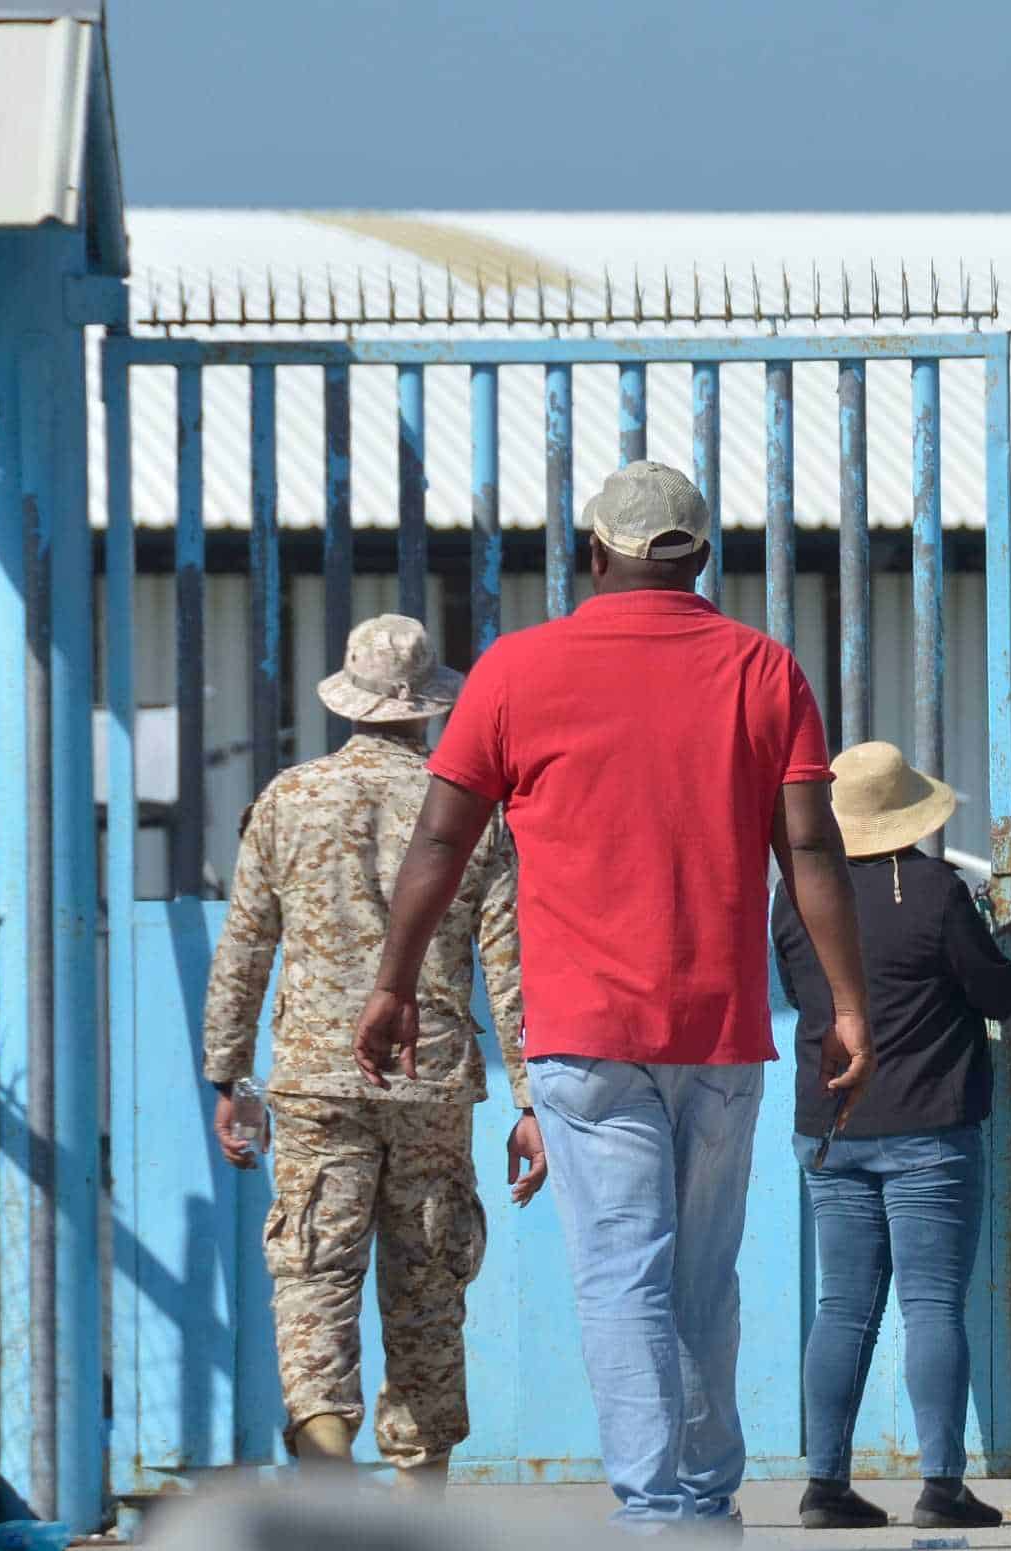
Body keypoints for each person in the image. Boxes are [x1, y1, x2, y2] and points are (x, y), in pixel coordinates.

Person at [354, 460, 874, 1534]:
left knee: (621, 1274)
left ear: (592, 552)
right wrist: (847, 1006)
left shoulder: (514, 671)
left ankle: (658, 1512)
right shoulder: (762, 669)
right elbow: (811, 846)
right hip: (721, 1033)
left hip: (586, 1036)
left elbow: (440, 841)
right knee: (703, 1278)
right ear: (702, 557)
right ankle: (709, 1500)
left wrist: (394, 983)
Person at [200, 614, 529, 1491]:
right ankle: (422, 1495)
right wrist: (533, 1097)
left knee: (313, 1268)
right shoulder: (468, 809)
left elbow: (244, 946)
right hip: (430, 1081)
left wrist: (229, 1076)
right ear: (431, 705)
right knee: (428, 1286)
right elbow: (510, 961)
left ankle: (326, 1461)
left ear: (348, 696)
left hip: (315, 1078)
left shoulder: (288, 800)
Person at [772, 742, 1011, 1532]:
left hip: (831, 1128)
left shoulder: (792, 897)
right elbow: (999, 992)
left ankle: (825, 1484)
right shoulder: (935, 890)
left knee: (841, 1307)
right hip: (929, 1128)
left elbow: (798, 991)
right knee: (931, 1304)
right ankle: (942, 1483)